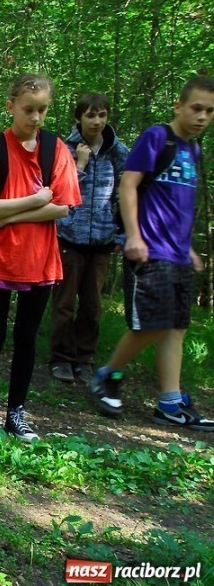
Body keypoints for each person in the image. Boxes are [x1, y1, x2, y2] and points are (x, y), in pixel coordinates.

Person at [91, 75, 214, 430]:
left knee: (175, 327)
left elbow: (180, 205)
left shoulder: (193, 150)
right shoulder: (157, 138)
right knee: (150, 323)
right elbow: (129, 185)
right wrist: (133, 235)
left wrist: (188, 247)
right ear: (179, 105)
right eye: (196, 108)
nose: (202, 116)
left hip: (176, 252)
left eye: (209, 111)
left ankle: (170, 402)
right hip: (149, 248)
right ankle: (107, 374)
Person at [0, 73, 80, 441]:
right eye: (28, 109)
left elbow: (62, 208)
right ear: (10, 106)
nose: (35, 117)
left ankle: (17, 411)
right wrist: (35, 200)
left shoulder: (55, 149)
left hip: (39, 259)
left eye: (42, 110)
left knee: (27, 336)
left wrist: (12, 214)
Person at [49, 94, 129, 384]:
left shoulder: (118, 151)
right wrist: (79, 165)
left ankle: (84, 358)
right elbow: (60, 193)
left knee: (93, 306)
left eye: (102, 115)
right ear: (79, 118)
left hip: (103, 241)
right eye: (90, 116)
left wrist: (123, 232)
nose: (96, 121)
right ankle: (61, 358)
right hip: (69, 238)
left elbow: (127, 193)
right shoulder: (64, 149)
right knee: (64, 303)